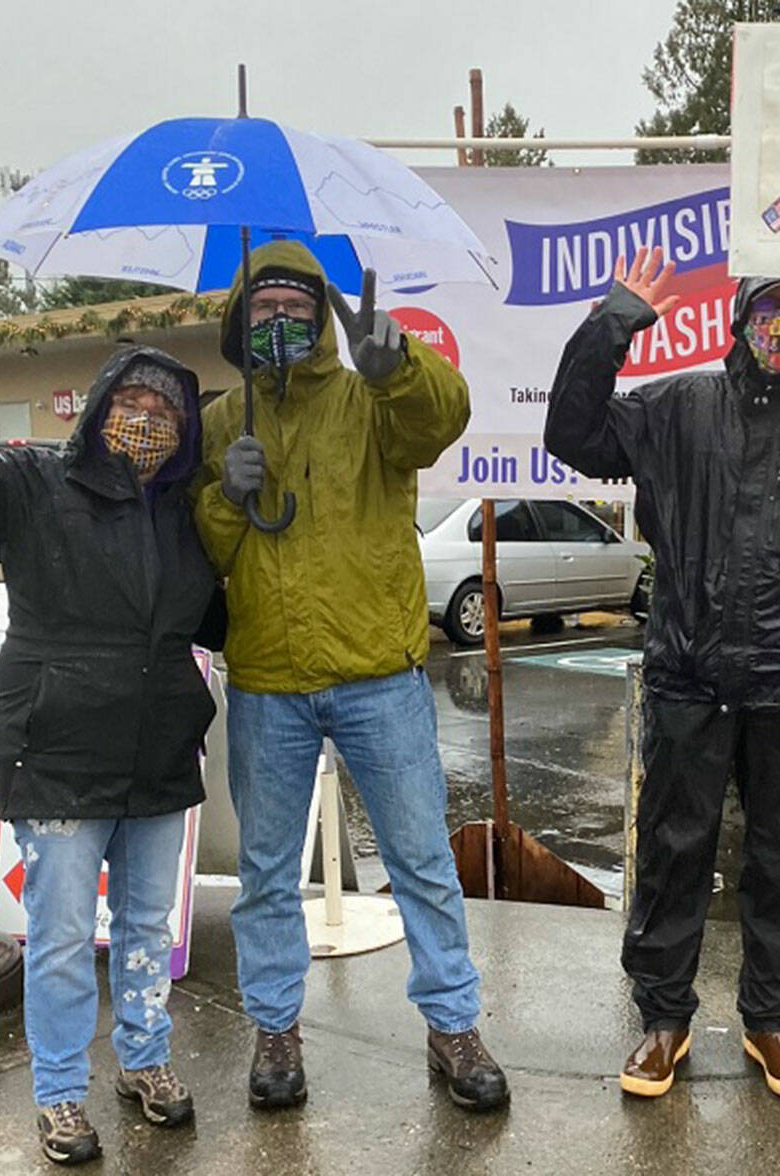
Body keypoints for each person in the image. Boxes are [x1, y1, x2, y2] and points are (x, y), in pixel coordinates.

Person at [544, 246, 780, 1101]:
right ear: (743, 319)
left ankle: (772, 1024)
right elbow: (572, 431)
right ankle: (663, 1020)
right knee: (675, 852)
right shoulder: (679, 408)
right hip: (688, 675)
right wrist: (615, 321)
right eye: (769, 311)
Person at [0, 253, 219, 1165]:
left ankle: (145, 1058)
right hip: (59, 752)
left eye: (166, 410)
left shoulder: (188, 513)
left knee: (145, 928)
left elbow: (221, 619)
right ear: (100, 411)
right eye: (132, 404)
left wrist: (253, 514)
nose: (147, 420)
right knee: (65, 937)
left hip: (156, 754)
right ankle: (61, 1092)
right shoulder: (34, 485)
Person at [193, 241, 509, 1112]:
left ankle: (453, 1027)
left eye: (298, 305)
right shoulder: (225, 421)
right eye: (264, 307)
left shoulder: (371, 397)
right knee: (265, 875)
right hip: (266, 680)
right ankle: (276, 1033)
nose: (282, 319)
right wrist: (225, 490)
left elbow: (441, 417)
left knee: (419, 863)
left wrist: (399, 364)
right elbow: (206, 551)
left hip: (381, 674)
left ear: (323, 316)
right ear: (238, 321)